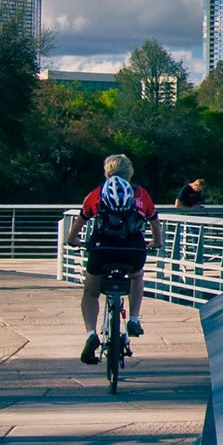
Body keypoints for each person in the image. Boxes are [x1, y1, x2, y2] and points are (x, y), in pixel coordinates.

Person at [65, 155, 162, 364]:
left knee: (91, 292)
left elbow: (80, 220)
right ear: (130, 173)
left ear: (106, 171)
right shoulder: (140, 194)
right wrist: (156, 243)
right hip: (133, 250)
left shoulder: (98, 193)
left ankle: (91, 335)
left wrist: (72, 240)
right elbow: (155, 224)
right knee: (136, 277)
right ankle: (134, 319)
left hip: (103, 249)